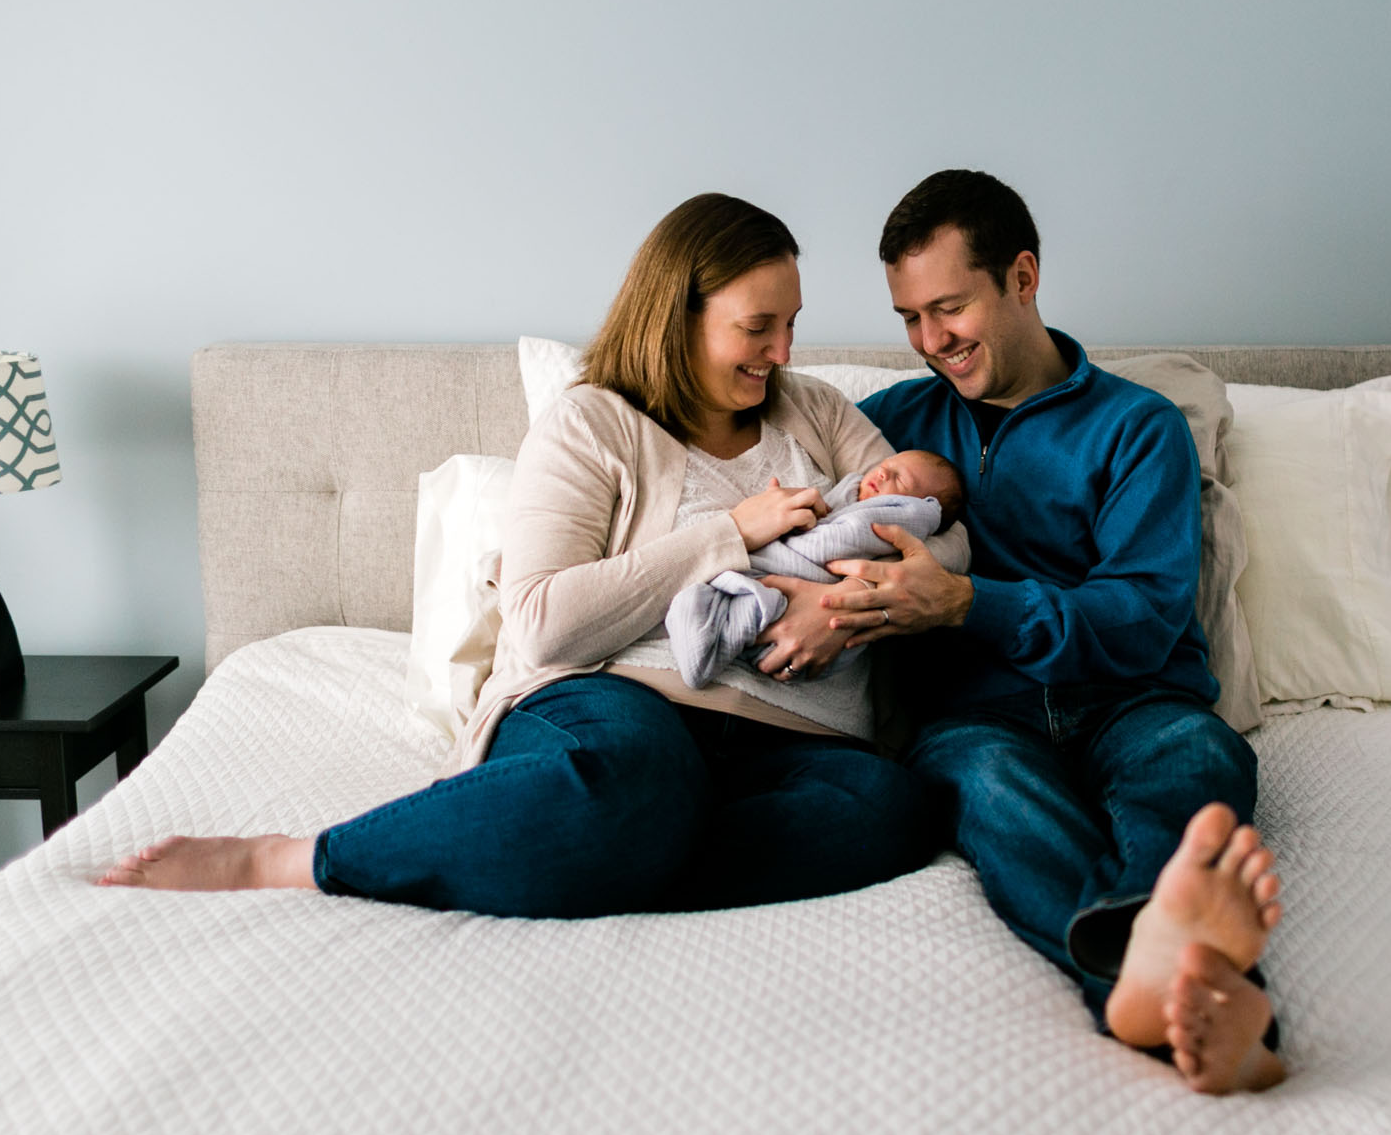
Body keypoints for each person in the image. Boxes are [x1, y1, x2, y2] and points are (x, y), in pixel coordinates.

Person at [100, 193, 951, 916]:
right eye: (757, 327)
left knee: (893, 810)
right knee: (636, 781)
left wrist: (832, 607)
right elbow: (542, 623)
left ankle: (610, 850)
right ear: (678, 315)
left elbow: (937, 531)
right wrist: (730, 533)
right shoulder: (592, 424)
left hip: (795, 741)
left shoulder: (816, 413)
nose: (783, 353)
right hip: (621, 710)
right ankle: (298, 858)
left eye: (790, 325)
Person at [763, 169, 1286, 1093]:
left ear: (1023, 276)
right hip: (978, 717)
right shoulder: (889, 429)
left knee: (1196, 766)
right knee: (991, 795)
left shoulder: (1137, 427)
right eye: (910, 318)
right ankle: (1178, 991)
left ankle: (1149, 978)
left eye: (950, 307)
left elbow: (1142, 615)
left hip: (1137, 698)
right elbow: (792, 509)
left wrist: (969, 602)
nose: (931, 342)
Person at [665, 449, 965, 688]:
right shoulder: (851, 495)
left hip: (802, 598)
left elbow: (836, 541)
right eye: (886, 464)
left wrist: (855, 588)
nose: (884, 471)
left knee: (727, 607)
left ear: (923, 507)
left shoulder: (899, 518)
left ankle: (704, 651)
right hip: (774, 581)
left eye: (901, 481)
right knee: (704, 601)